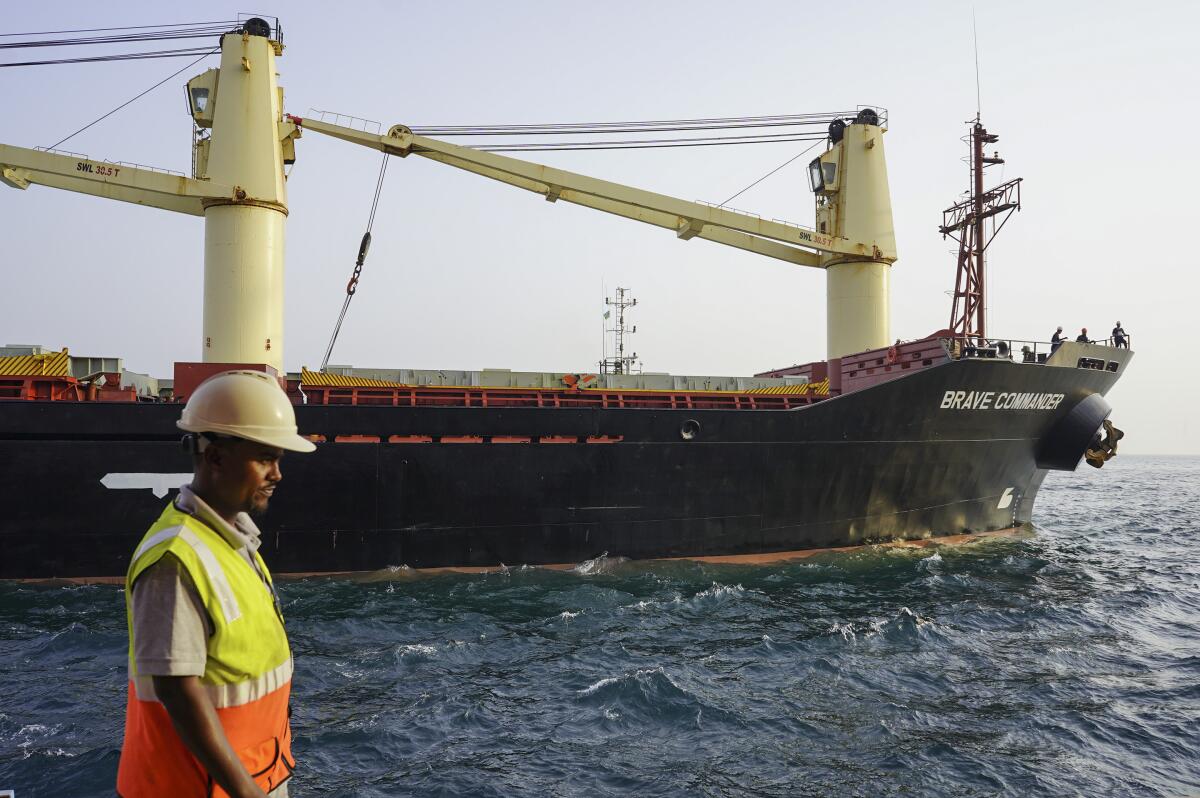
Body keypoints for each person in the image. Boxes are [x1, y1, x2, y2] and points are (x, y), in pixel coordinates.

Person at [117, 370, 316, 798]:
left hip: (251, 778)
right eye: (265, 457)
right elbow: (177, 690)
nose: (277, 474)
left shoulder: (235, 542)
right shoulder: (174, 559)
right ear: (216, 458)